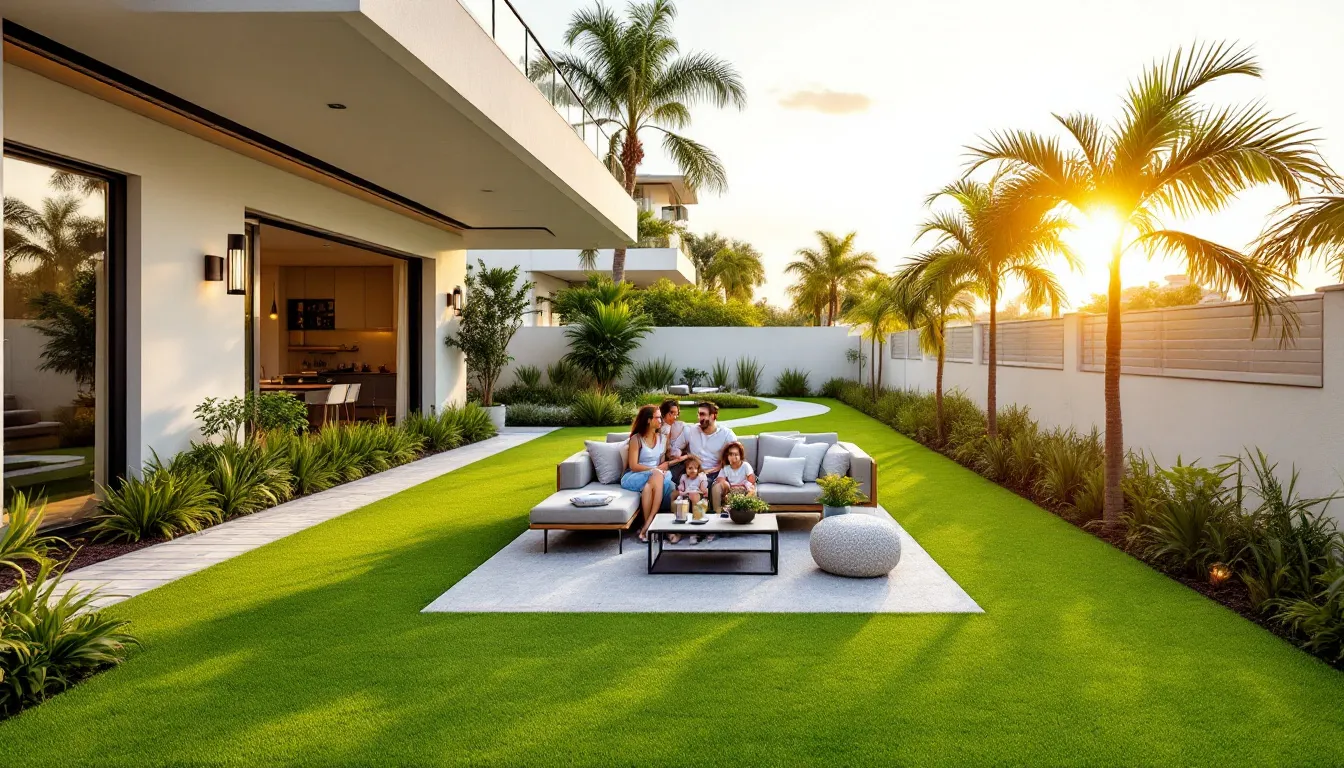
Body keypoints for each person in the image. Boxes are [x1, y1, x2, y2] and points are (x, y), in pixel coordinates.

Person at [670, 401, 737, 512]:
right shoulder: (691, 430)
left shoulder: (726, 434)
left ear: (713, 416)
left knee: (701, 490)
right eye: (698, 414)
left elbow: (736, 456)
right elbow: (676, 448)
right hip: (692, 470)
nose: (699, 418)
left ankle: (703, 518)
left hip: (712, 473)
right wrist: (681, 454)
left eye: (702, 414)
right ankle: (681, 521)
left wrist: (722, 466)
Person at [622, 404, 674, 543]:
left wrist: (660, 468)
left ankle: (646, 527)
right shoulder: (636, 439)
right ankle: (651, 523)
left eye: (661, 418)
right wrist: (653, 470)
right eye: (657, 418)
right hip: (635, 475)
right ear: (648, 420)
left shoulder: (662, 438)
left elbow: (661, 462)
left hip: (654, 476)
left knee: (648, 488)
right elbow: (633, 465)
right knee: (656, 475)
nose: (661, 421)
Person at [713, 441, 757, 514]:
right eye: (730, 454)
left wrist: (747, 487)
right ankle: (719, 511)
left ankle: (747, 510)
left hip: (744, 488)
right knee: (717, 487)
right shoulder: (726, 468)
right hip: (731, 489)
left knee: (751, 489)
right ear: (727, 456)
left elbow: (751, 479)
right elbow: (720, 478)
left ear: (740, 455)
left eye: (736, 454)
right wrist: (725, 483)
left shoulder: (745, 465)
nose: (733, 457)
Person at [658, 399, 689, 483]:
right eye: (671, 413)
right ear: (664, 412)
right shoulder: (659, 427)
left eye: (676, 414)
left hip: (671, 461)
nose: (674, 417)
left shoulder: (674, 427)